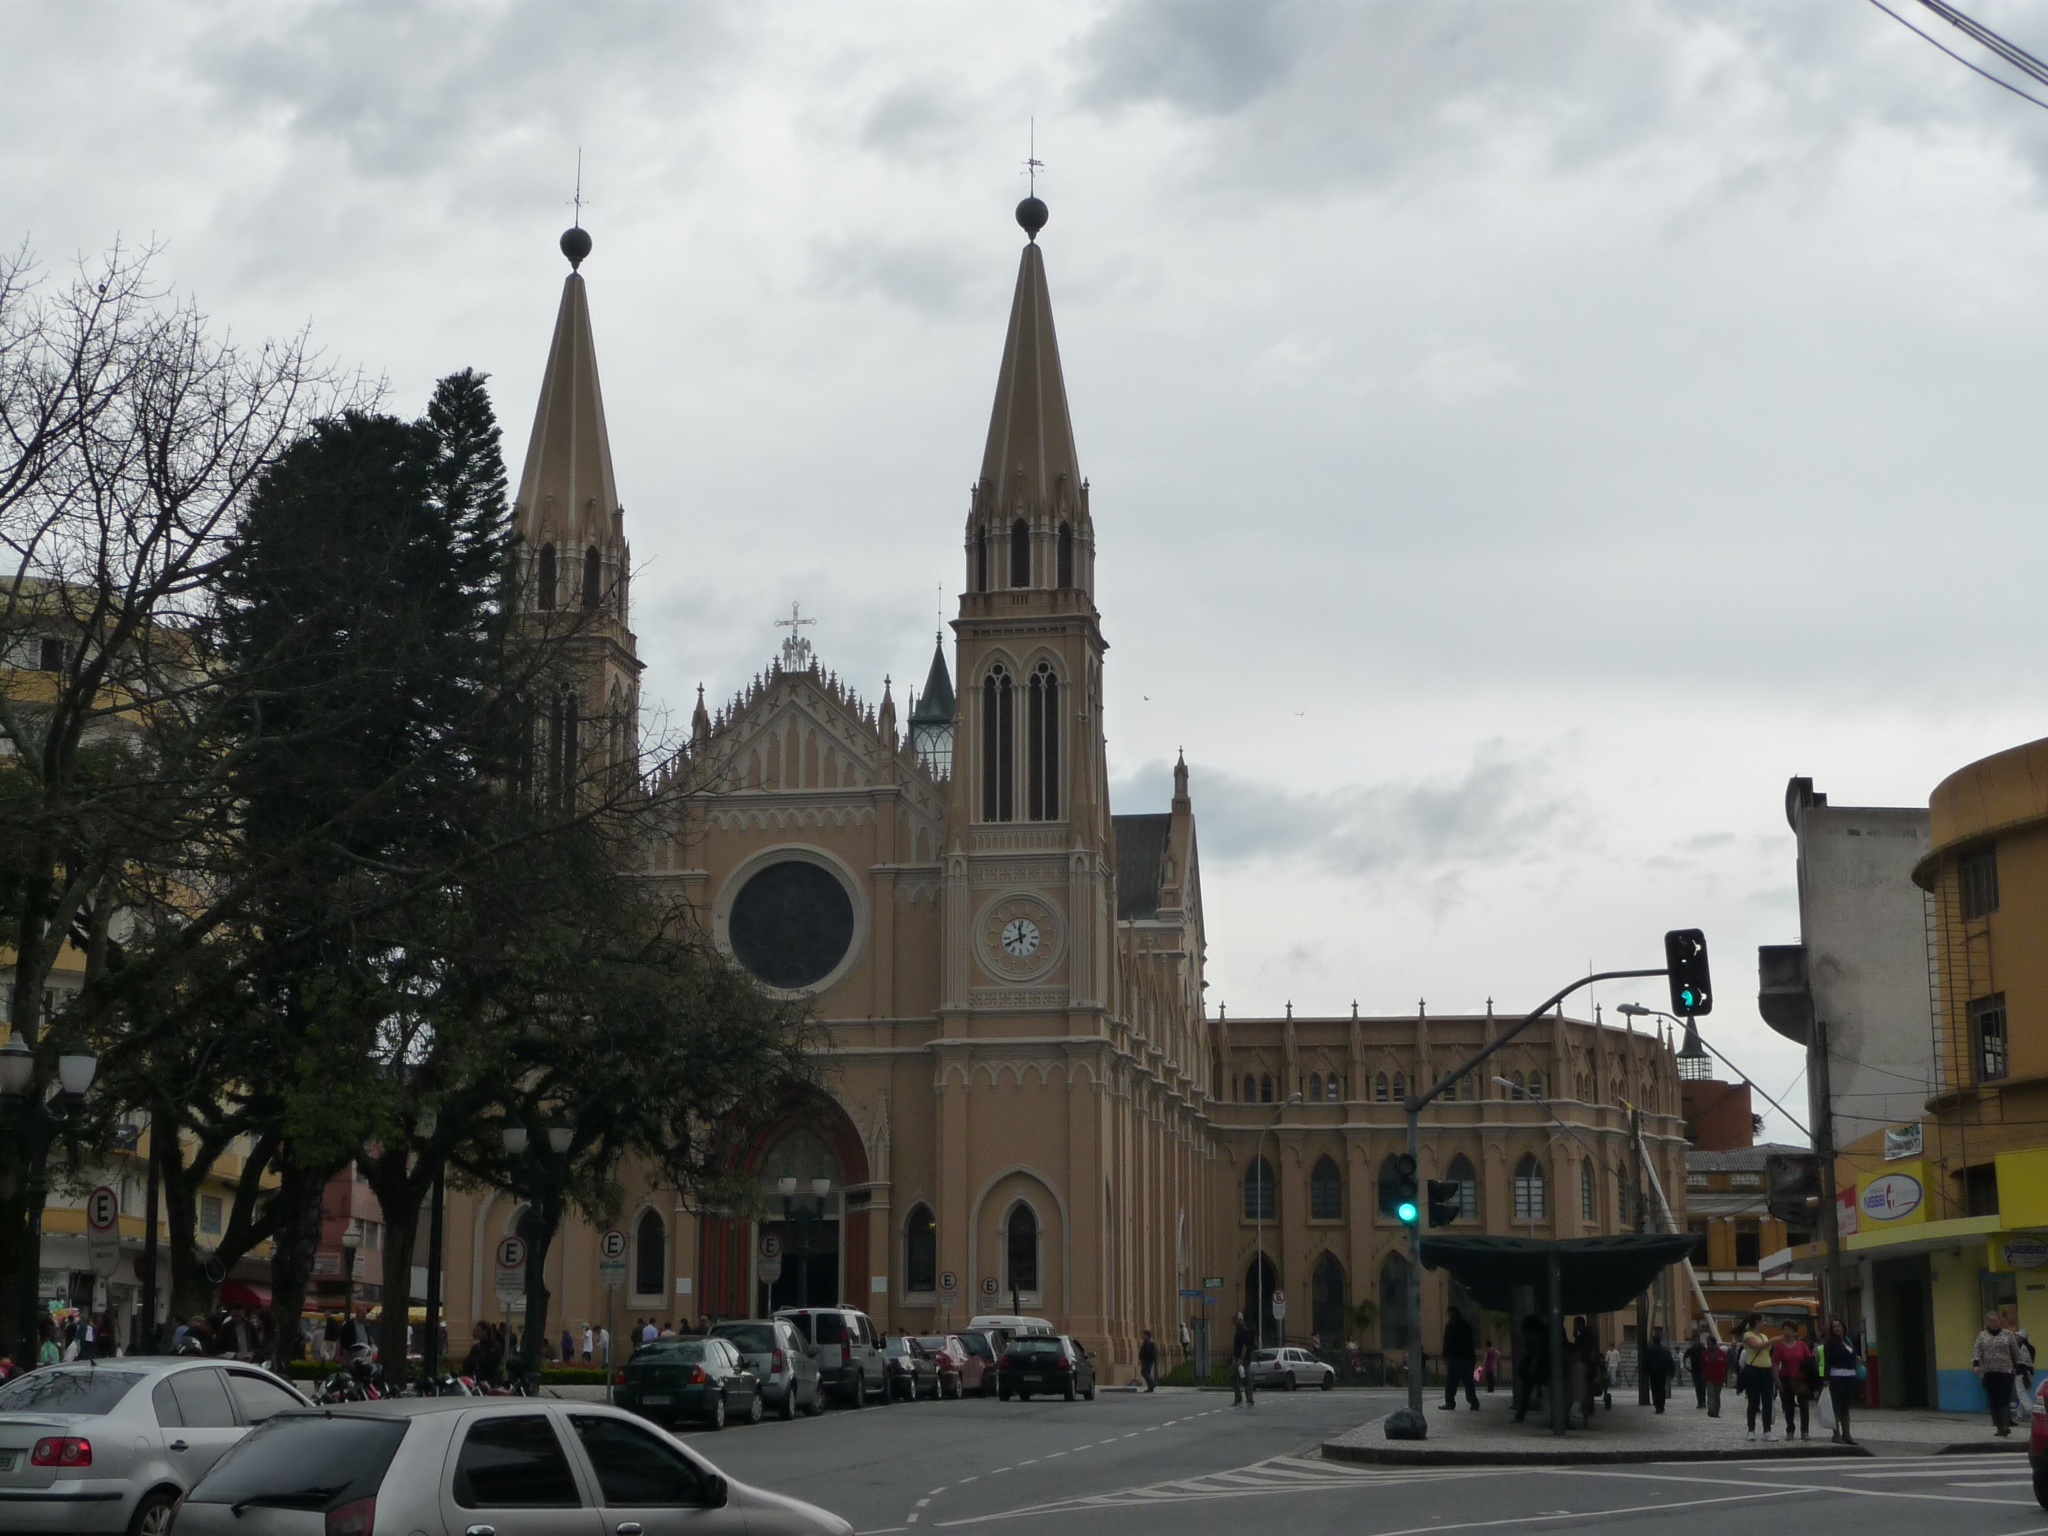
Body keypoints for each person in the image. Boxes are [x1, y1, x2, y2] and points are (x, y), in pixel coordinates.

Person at [1974, 1311, 2025, 1437]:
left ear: (1999, 1321)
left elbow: (2016, 1351)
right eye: (1991, 1321)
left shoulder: (2007, 1334)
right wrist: (1976, 1364)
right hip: (1989, 1372)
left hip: (2005, 1371)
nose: (1994, 1323)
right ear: (1988, 1323)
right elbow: (1977, 1351)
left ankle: (2005, 1425)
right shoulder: (1982, 1335)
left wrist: (2020, 1365)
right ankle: (1998, 1426)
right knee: (1993, 1399)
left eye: (1995, 1321)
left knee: (2003, 1397)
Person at [1820, 1318, 1861, 1446]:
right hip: (1837, 1375)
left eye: (1838, 1326)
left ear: (1843, 1327)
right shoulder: (1830, 1342)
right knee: (1836, 1405)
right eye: (1834, 1327)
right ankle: (1836, 1434)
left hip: (1850, 1375)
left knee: (1845, 1405)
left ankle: (1847, 1434)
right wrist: (1826, 1378)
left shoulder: (1848, 1340)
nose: (1836, 1329)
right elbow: (1827, 1361)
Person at [1738, 1314, 1775, 1442]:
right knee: (1753, 1401)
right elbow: (1757, 1346)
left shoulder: (1764, 1336)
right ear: (1757, 1322)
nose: (1766, 1323)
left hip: (1767, 1370)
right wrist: (1773, 1340)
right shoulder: (1748, 1335)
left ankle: (1767, 1430)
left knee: (1767, 1401)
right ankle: (1751, 1430)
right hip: (1753, 1370)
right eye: (1764, 1320)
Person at [1442, 1306, 1478, 1410]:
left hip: (1455, 1358)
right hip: (1468, 1357)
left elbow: (1448, 1342)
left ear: (1451, 1313)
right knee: (1468, 1382)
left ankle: (1450, 1403)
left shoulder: (1451, 1325)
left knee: (1452, 1382)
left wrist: (1445, 1355)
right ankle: (1473, 1402)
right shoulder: (1466, 1325)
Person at [1513, 1312, 1546, 1423]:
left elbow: (1531, 1351)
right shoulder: (1538, 1336)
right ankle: (1520, 1415)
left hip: (1530, 1365)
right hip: (1533, 1365)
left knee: (1526, 1392)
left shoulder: (1531, 1337)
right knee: (1527, 1392)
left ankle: (1519, 1416)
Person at [1643, 1327, 1675, 1414]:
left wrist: (1645, 1371)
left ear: (1653, 1341)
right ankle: (1661, 1405)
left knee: (1654, 1389)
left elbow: (1645, 1361)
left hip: (1653, 1373)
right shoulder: (1665, 1351)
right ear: (1660, 1340)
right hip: (1663, 1372)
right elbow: (1670, 1362)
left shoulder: (1649, 1351)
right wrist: (1671, 1372)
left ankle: (1657, 1405)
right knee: (1661, 1389)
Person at [1700, 1327, 1727, 1418]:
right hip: (1709, 1378)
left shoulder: (1722, 1354)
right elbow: (1703, 1365)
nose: (1707, 1345)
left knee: (1717, 1395)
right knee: (1710, 1394)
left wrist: (1725, 1378)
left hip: (1719, 1378)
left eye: (1709, 1343)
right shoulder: (1705, 1354)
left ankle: (1716, 1411)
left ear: (1713, 1343)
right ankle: (1711, 1410)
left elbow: (1725, 1366)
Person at [1231, 1312, 1256, 1407]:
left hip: (1243, 1359)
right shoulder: (1238, 1329)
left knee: (1245, 1378)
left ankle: (1249, 1400)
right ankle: (1238, 1398)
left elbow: (1246, 1345)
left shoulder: (1244, 1330)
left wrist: (1242, 1358)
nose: (1233, 1321)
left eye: (1235, 1319)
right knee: (1233, 1376)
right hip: (1237, 1358)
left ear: (1240, 1319)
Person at [1684, 1334, 1706, 1409]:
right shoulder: (1691, 1349)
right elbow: (1685, 1356)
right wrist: (1685, 1366)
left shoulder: (1703, 1349)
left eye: (1698, 1340)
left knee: (1702, 1386)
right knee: (1697, 1387)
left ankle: (1703, 1402)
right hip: (1694, 1371)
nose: (1697, 1342)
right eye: (1695, 1340)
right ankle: (1699, 1402)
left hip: (1702, 1370)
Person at [1139, 1327, 1160, 1391]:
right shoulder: (1148, 1341)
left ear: (1147, 1336)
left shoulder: (1148, 1342)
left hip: (1148, 1360)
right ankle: (1150, 1387)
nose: (1143, 1336)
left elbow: (1147, 1352)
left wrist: (1143, 1358)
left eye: (1144, 1335)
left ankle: (1153, 1383)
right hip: (1149, 1359)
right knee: (1147, 1373)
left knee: (1144, 1372)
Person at [1602, 1342, 1620, 1411]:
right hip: (1610, 1365)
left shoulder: (1616, 1352)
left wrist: (1619, 1366)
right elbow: (1606, 1359)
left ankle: (1613, 1384)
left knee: (1613, 1375)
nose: (1610, 1347)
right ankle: (1610, 1384)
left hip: (1614, 1364)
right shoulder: (1608, 1352)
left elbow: (1618, 1360)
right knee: (1609, 1374)